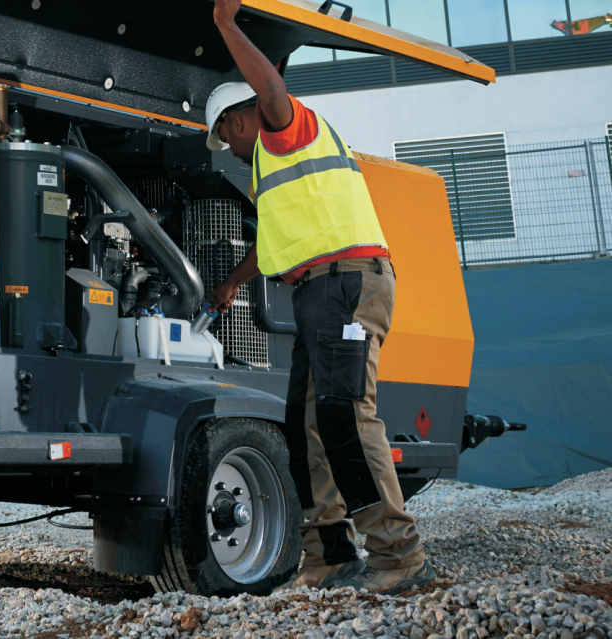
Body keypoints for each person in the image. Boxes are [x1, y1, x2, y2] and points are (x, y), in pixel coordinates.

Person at [204, 0, 435, 595]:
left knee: (344, 416)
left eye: (222, 137)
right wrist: (232, 282)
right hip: (319, 291)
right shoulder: (272, 166)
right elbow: (274, 238)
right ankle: (329, 557)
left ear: (236, 120)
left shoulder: (286, 128)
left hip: (347, 283)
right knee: (304, 424)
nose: (226, 150)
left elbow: (271, 89)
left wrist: (227, 25)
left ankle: (397, 554)